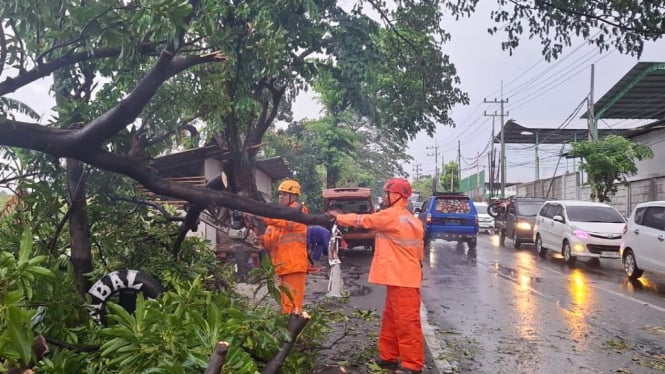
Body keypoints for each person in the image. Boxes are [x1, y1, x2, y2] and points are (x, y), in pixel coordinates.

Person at [327, 177, 425, 374]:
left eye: (387, 193)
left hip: (403, 279)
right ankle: (388, 357)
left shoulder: (391, 216)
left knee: (406, 323)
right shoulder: (411, 219)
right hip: (403, 278)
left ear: (396, 195)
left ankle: (412, 366)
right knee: (391, 320)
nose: (384, 197)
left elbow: (363, 221)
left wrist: (338, 217)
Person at [258, 179, 309, 314]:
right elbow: (269, 242)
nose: (281, 197)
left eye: (285, 194)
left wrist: (259, 214)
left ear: (294, 196)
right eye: (280, 194)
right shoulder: (276, 219)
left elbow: (286, 223)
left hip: (294, 266)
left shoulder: (299, 212)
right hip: (282, 267)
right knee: (286, 303)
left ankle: (294, 330)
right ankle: (288, 330)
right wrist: (259, 239)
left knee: (293, 304)